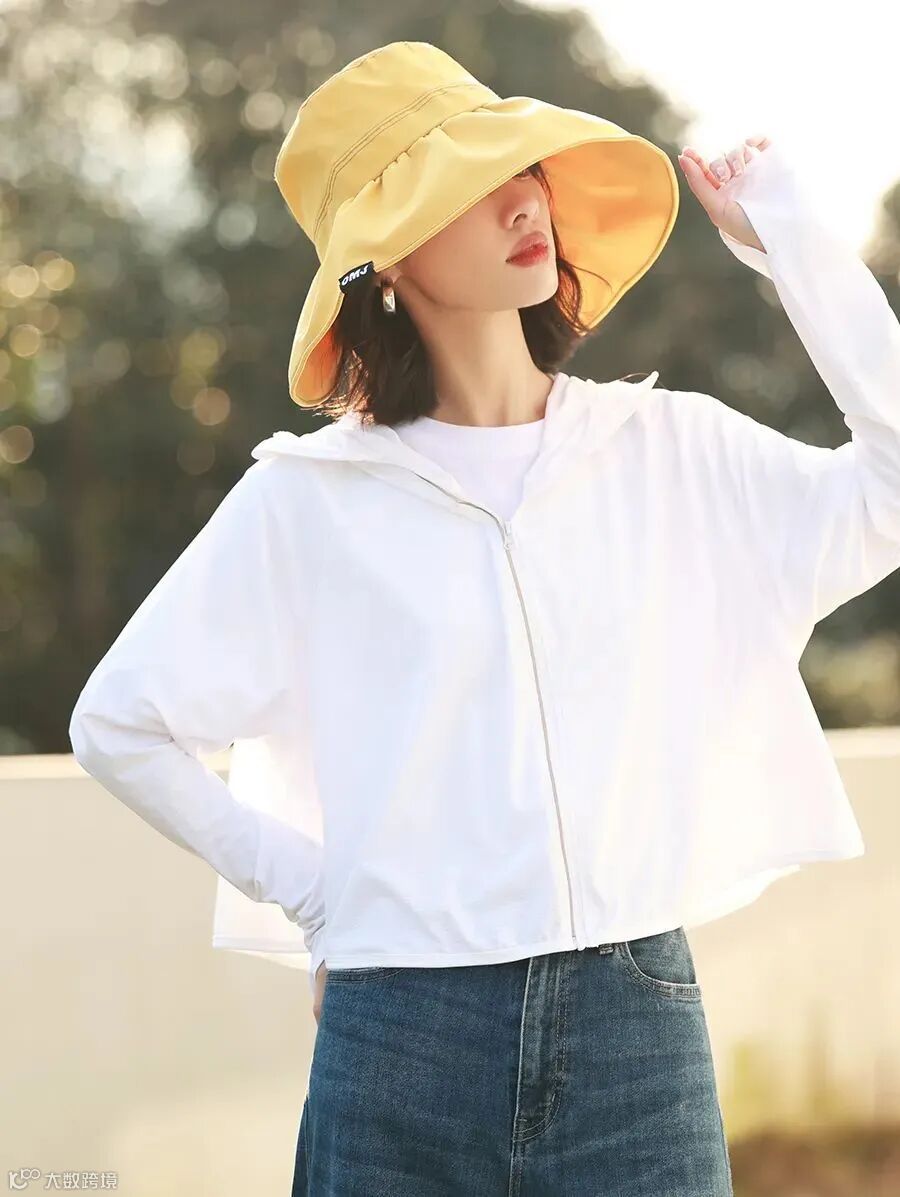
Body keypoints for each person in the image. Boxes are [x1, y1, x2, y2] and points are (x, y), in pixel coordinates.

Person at [69, 40, 900, 1197]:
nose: (522, 201)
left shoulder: (669, 451)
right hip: (400, 1037)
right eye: (468, 185)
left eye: (525, 169)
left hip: (636, 1033)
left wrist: (795, 245)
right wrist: (318, 893)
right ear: (385, 264)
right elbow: (119, 723)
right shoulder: (308, 501)